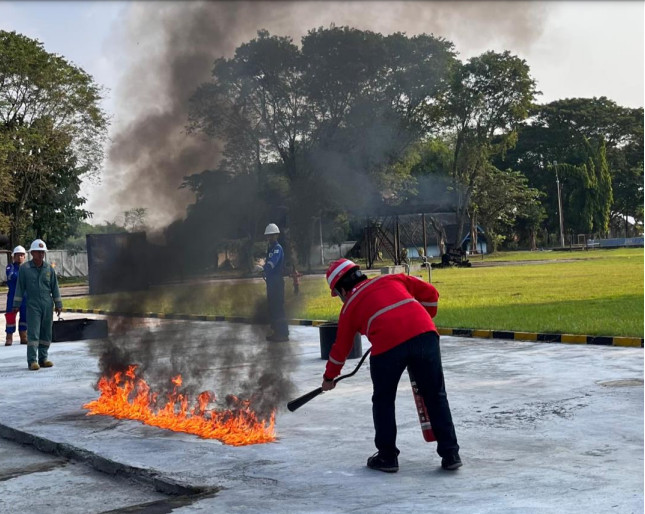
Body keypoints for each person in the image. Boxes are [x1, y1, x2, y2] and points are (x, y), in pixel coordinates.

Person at [321, 258, 461, 473]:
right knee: (435, 395)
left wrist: (330, 378)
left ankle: (387, 457)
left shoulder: (349, 308)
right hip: (425, 336)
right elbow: (431, 293)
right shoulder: (392, 279)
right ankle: (451, 454)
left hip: (388, 349)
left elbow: (341, 349)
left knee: (383, 401)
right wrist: (423, 319)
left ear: (341, 289)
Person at [12, 239, 63, 370]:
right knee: (34, 332)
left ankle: (43, 358)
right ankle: (32, 361)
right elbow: (20, 287)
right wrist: (16, 304)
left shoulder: (49, 269)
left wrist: (58, 303)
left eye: (43, 252)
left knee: (46, 332)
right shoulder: (25, 269)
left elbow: (55, 287)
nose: (41, 255)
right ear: (32, 253)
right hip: (33, 304)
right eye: (38, 252)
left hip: (47, 303)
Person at [263, 223, 289, 342]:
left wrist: (264, 268)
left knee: (278, 308)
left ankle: (282, 334)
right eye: (268, 236)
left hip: (277, 283)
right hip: (272, 283)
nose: (270, 238)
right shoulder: (271, 248)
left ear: (277, 235)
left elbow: (272, 263)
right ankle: (276, 332)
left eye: (272, 235)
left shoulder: (277, 249)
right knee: (273, 307)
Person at [5, 246, 28, 346]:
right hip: (13, 297)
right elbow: (11, 276)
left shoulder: (28, 267)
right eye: (18, 255)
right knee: (10, 316)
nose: (20, 257)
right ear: (14, 256)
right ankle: (9, 337)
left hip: (25, 296)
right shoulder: (10, 267)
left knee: (25, 316)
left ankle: (23, 336)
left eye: (22, 255)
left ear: (25, 257)